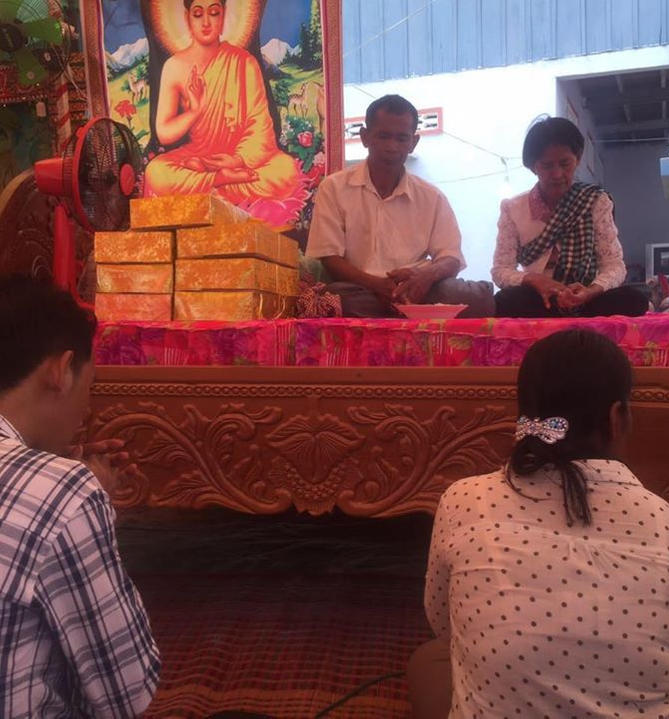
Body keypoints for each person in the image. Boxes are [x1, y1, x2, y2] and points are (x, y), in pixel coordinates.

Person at [409, 329, 669, 719]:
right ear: (617, 417)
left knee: (431, 659)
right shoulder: (665, 521)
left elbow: (444, 623)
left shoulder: (464, 499)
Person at [0, 275, 160, 716]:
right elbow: (127, 690)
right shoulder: (62, 492)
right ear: (60, 370)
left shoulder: (55, 485)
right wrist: (77, 494)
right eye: (91, 387)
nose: (87, 410)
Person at [305, 94, 494, 318]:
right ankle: (406, 312)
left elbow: (451, 258)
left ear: (413, 143)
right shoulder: (333, 188)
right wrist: (377, 285)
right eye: (383, 136)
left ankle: (402, 309)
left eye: (402, 138)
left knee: (475, 297)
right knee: (336, 298)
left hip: (420, 291)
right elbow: (330, 258)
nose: (392, 147)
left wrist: (424, 277)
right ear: (365, 137)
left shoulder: (432, 197)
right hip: (361, 289)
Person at [144, 0, 307, 227]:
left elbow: (259, 126)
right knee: (156, 173)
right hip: (198, 155)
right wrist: (195, 111)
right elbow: (164, 133)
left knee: (286, 171)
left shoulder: (245, 62)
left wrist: (237, 160)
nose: (206, 22)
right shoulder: (175, 66)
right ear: (187, 19)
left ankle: (211, 195)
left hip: (240, 161)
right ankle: (220, 183)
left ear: (223, 18)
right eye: (198, 14)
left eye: (214, 13)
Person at [492, 116, 647, 317]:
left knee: (634, 300)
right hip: (540, 299)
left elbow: (614, 265)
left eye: (565, 163)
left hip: (587, 298)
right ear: (532, 166)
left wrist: (591, 291)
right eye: (547, 166)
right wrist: (534, 280)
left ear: (578, 158)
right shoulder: (512, 208)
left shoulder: (595, 201)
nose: (557, 174)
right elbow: (501, 270)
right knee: (505, 301)